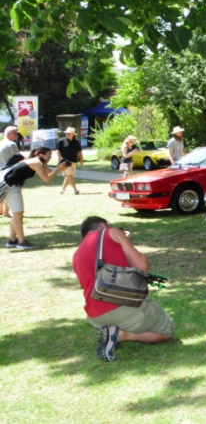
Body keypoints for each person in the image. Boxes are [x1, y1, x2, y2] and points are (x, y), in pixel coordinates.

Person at [72, 216, 174, 361]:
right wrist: (125, 240)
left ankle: (111, 330)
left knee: (130, 317)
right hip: (123, 307)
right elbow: (141, 265)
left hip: (96, 316)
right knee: (167, 331)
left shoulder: (77, 254)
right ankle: (122, 335)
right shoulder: (111, 232)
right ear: (103, 225)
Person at [1, 147, 69, 249]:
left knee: (17, 214)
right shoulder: (37, 162)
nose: (50, 157)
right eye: (48, 155)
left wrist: (61, 167)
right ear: (41, 155)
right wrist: (58, 169)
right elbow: (47, 179)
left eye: (51, 155)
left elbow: (50, 171)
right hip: (9, 186)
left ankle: (12, 240)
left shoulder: (34, 161)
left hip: (11, 186)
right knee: (18, 214)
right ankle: (22, 242)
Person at [58, 127, 84, 195]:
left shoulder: (76, 142)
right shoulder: (61, 141)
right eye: (67, 133)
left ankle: (62, 189)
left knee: (70, 176)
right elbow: (58, 151)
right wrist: (60, 158)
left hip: (73, 161)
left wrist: (81, 159)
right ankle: (75, 189)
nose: (67, 134)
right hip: (65, 161)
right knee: (69, 175)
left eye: (69, 133)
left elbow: (79, 151)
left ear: (73, 134)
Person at [0, 125, 19, 218]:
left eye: (17, 133)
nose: (16, 135)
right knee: (8, 192)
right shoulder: (12, 144)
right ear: (8, 134)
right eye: (14, 133)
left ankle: (1, 210)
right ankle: (6, 212)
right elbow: (18, 158)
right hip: (9, 172)